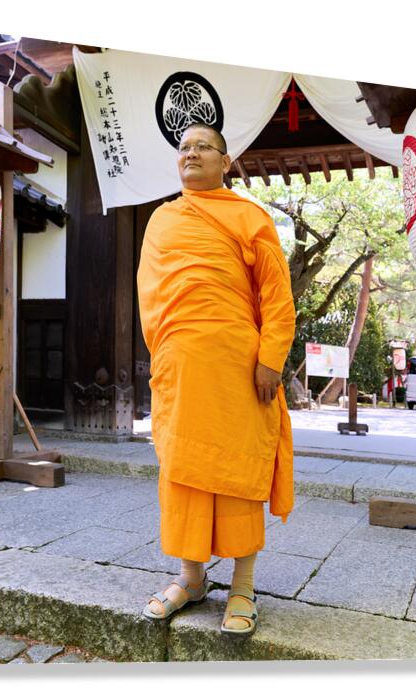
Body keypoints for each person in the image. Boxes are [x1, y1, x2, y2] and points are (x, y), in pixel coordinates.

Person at [136, 122, 295, 636]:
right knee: (181, 470)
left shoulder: (249, 217)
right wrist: (166, 353)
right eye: (184, 147)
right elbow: (151, 296)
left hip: (239, 371)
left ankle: (244, 585)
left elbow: (276, 296)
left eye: (204, 147)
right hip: (181, 368)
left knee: (237, 475)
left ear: (226, 162)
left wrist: (271, 358)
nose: (192, 153)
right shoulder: (162, 220)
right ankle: (191, 578)